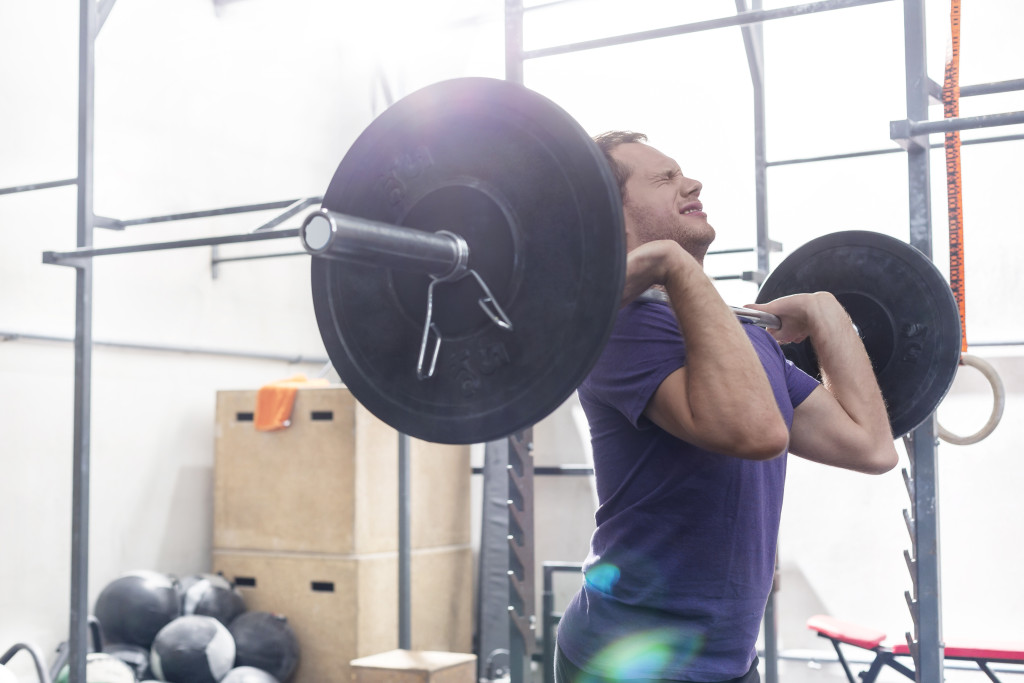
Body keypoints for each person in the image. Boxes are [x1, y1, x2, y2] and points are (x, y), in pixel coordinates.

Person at [554, 131, 899, 683]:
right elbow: (758, 434)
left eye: (682, 173)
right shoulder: (622, 329)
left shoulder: (746, 338)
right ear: (610, 216)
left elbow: (871, 447)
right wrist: (674, 264)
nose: (691, 183)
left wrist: (826, 311)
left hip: (729, 661)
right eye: (664, 179)